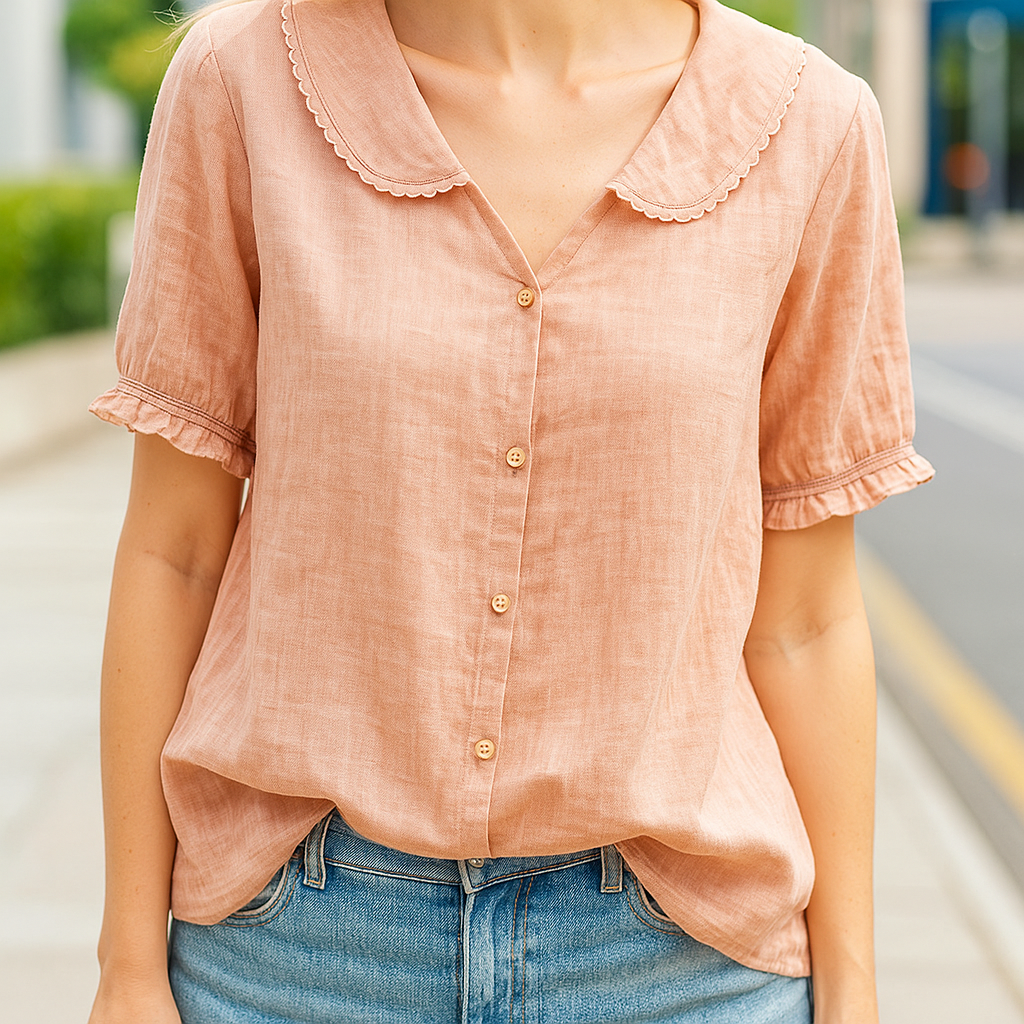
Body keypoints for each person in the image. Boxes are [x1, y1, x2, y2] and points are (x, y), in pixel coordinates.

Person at [86, 0, 934, 1020]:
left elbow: (806, 620)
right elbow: (174, 552)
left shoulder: (811, 126)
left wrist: (854, 985)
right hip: (297, 956)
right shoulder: (242, 82)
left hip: (678, 965)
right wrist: (128, 966)